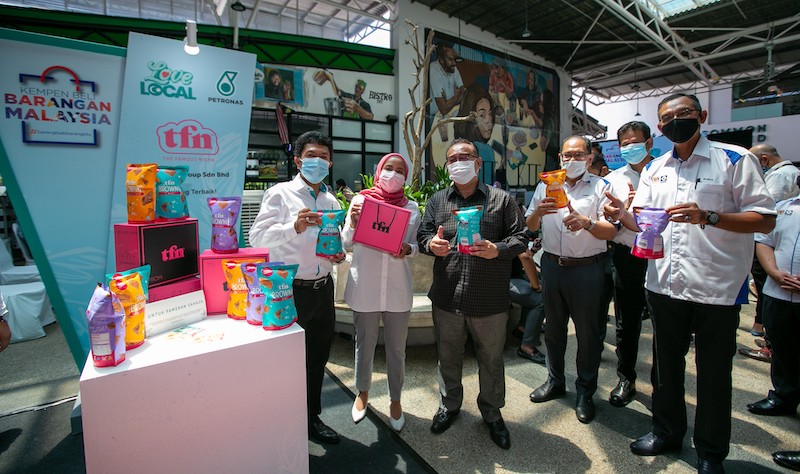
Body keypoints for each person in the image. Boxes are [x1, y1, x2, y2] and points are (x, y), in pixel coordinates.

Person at [605, 93, 775, 474]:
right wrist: (622, 215)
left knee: (713, 373)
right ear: (660, 127)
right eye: (667, 117)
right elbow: (641, 223)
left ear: (702, 116)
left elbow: (764, 219)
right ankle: (666, 431)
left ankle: (711, 452)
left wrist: (710, 216)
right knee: (665, 366)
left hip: (715, 286)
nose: (674, 121)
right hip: (664, 284)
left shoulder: (734, 159)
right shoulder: (656, 168)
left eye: (683, 114)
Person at [417, 138, 526, 450]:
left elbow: (521, 237)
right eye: (453, 158)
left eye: (466, 156)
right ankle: (449, 405)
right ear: (447, 166)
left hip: (488, 298)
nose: (459, 162)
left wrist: (498, 249)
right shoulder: (438, 201)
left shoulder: (502, 201)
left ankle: (491, 413)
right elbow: (423, 234)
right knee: (448, 355)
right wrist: (430, 246)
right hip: (447, 296)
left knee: (491, 359)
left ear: (479, 163)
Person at [248, 130, 346, 445]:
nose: (317, 162)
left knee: (317, 358)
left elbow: (334, 240)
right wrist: (295, 226)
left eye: (323, 156)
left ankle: (310, 418)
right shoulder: (280, 194)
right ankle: (281, 421)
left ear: (330, 163)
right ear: (297, 160)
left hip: (322, 287)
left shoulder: (331, 199)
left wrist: (339, 253)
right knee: (285, 361)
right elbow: (257, 238)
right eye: (311, 156)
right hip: (289, 291)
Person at [525, 135, 617, 425]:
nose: (572, 160)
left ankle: (585, 392)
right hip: (553, 267)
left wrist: (587, 223)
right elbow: (530, 224)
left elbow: (611, 232)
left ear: (590, 158)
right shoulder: (546, 185)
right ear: (560, 159)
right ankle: (555, 381)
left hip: (588, 270)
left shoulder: (603, 186)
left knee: (588, 335)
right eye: (567, 155)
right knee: (552, 330)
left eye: (579, 154)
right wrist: (538, 213)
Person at [341, 153, 421, 432]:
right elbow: (345, 245)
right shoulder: (360, 201)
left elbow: (415, 245)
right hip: (366, 285)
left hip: (398, 288)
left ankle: (395, 400)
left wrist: (408, 250)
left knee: (397, 350)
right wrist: (351, 223)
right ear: (378, 171)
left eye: (400, 171)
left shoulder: (411, 207)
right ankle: (362, 393)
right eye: (389, 168)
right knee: (364, 345)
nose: (394, 174)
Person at [603, 121, 655, 408]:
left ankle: (662, 382)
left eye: (634, 142)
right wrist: (614, 215)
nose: (629, 148)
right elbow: (606, 220)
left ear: (649, 143)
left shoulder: (664, 173)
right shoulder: (612, 179)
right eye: (623, 144)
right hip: (626, 256)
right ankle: (626, 377)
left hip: (660, 257)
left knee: (664, 322)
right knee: (626, 321)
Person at [746, 195, 800, 419]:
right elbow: (765, 241)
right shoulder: (784, 207)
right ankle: (783, 397)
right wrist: (774, 273)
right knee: (781, 345)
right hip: (777, 292)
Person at [741, 144, 800, 348]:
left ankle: (763, 331)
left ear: (764, 160)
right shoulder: (791, 180)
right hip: (775, 254)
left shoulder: (779, 176)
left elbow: (764, 213)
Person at [510, 235, 546, 364]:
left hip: (511, 274)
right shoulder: (514, 230)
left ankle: (523, 329)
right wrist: (536, 285)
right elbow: (524, 257)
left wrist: (533, 251)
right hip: (501, 279)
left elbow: (525, 256)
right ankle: (527, 347)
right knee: (541, 300)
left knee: (532, 286)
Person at [429, 41, 465, 142]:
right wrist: (455, 96)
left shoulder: (453, 69)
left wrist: (449, 101)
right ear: (441, 60)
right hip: (432, 117)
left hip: (449, 113)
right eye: (450, 59)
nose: (454, 63)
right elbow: (443, 108)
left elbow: (464, 93)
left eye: (454, 59)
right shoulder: (434, 70)